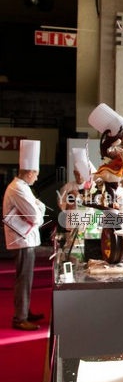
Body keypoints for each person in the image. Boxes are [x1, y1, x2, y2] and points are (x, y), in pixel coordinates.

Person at [2, 140, 47, 331]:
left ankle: (25, 312)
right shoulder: (18, 188)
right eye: (36, 174)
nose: (36, 178)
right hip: (22, 240)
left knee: (26, 279)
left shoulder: (22, 187)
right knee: (23, 279)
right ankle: (20, 318)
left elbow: (38, 209)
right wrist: (39, 208)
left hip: (25, 240)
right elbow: (36, 216)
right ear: (30, 173)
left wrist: (38, 208)